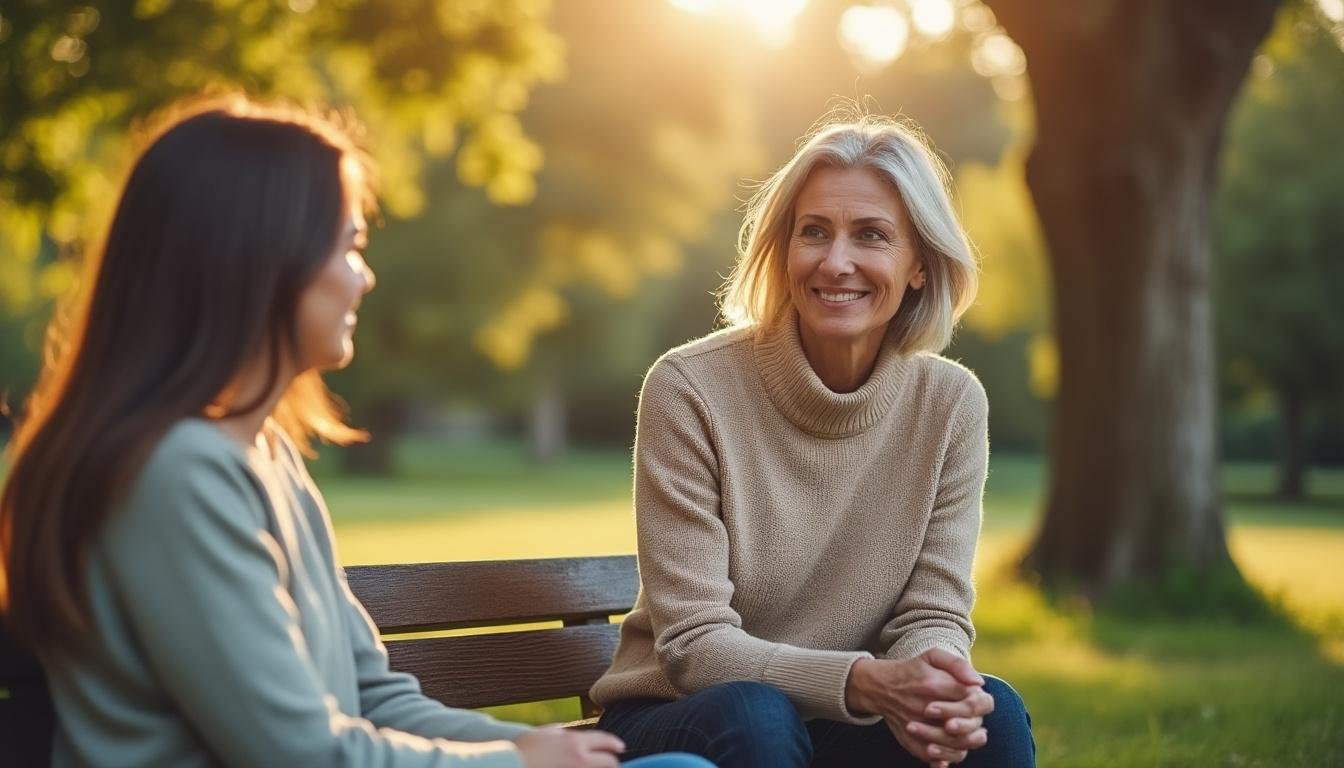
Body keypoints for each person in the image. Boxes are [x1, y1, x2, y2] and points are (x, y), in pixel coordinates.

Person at [0, 94, 712, 768]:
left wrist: (528, 750)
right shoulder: (174, 473)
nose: (362, 278)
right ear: (261, 259)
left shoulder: (263, 453)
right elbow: (299, 754)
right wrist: (510, 759)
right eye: (348, 246)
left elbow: (372, 695)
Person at [589, 114, 1036, 768]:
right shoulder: (689, 389)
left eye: (872, 236)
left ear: (918, 265)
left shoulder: (950, 404)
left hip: (838, 722)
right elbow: (693, 646)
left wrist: (935, 690)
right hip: (680, 716)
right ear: (784, 250)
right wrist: (864, 681)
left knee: (991, 715)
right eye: (814, 232)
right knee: (757, 713)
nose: (837, 262)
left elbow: (934, 613)